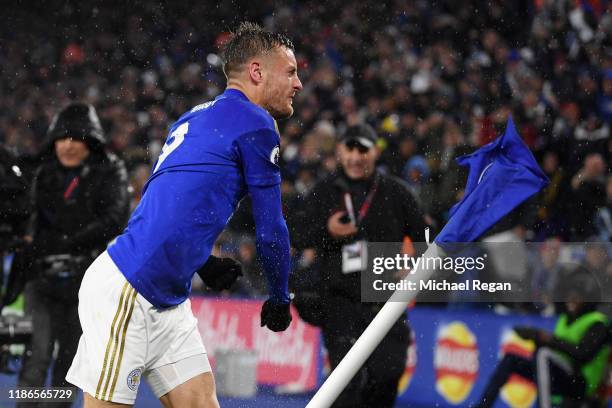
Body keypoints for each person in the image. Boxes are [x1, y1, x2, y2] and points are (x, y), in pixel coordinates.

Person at [66, 22, 303, 408]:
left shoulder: (192, 117)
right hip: (130, 289)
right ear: (257, 72)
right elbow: (271, 229)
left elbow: (167, 207)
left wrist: (202, 262)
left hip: (167, 299)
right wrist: (279, 296)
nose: (298, 84)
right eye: (291, 72)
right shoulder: (258, 124)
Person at [290, 124, 428, 408]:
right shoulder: (325, 190)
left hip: (385, 300)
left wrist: (414, 260)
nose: (355, 157)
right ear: (339, 150)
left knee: (388, 374)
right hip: (340, 301)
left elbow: (424, 235)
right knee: (346, 382)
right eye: (349, 149)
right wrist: (327, 231)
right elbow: (299, 235)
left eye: (362, 149)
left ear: (375, 151)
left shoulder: (396, 192)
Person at [15, 102, 130, 407]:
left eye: (76, 138)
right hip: (40, 279)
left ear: (90, 143)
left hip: (85, 283)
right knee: (35, 357)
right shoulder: (37, 172)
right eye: (62, 138)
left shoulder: (110, 170)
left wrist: (67, 242)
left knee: (69, 363)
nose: (67, 145)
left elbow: (116, 218)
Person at [475, 269, 610, 408]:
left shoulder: (597, 323)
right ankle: (483, 405)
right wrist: (536, 338)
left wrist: (548, 340)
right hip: (558, 375)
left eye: (577, 298)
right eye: (570, 297)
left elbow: (583, 354)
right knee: (511, 359)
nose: (571, 301)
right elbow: (556, 348)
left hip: (581, 382)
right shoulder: (564, 319)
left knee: (543, 354)